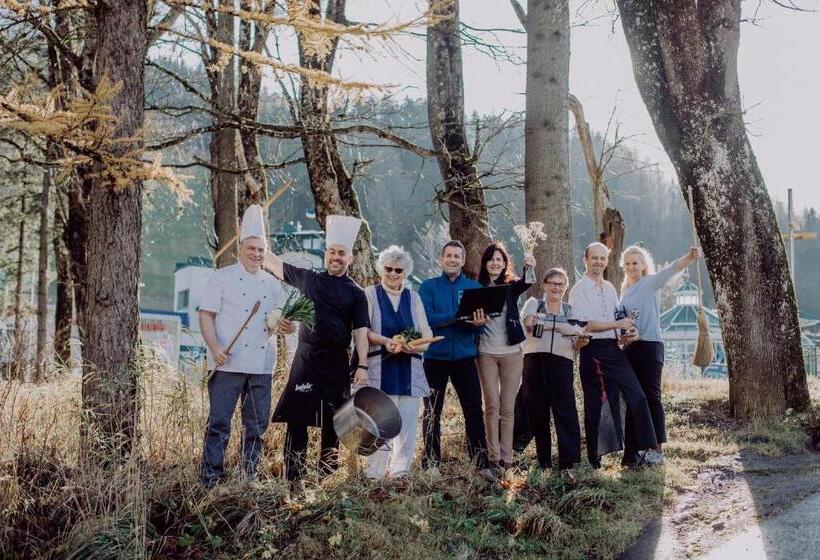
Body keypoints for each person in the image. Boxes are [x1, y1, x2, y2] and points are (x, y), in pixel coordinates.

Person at [263, 215, 370, 489]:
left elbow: (360, 332)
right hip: (306, 360)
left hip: (337, 362)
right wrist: (256, 239)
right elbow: (274, 265)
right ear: (326, 255)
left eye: (341, 253)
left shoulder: (356, 293)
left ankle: (326, 478)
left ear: (350, 258)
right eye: (332, 252)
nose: (336, 257)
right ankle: (294, 479)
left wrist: (363, 366)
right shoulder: (309, 279)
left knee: (333, 422)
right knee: (297, 418)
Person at [199, 204, 293, 487]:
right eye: (251, 248)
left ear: (267, 253)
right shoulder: (221, 277)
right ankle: (210, 478)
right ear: (241, 248)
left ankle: (248, 477)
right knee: (218, 424)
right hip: (227, 362)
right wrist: (215, 348)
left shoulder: (274, 284)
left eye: (261, 250)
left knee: (256, 427)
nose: (256, 254)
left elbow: (278, 321)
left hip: (261, 365)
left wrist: (287, 326)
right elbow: (206, 315)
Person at [568, 242, 660, 468]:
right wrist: (617, 323)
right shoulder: (578, 290)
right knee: (596, 405)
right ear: (586, 260)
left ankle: (635, 453)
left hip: (613, 349)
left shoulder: (610, 289)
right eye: (594, 258)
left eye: (602, 258)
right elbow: (586, 325)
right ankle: (593, 458)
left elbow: (616, 324)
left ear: (606, 261)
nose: (599, 262)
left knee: (636, 396)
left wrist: (624, 335)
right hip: (593, 351)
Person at [419, 240, 496, 481]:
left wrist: (478, 324)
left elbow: (477, 328)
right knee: (432, 412)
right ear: (441, 259)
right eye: (448, 256)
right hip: (434, 359)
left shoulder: (473, 288)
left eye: (457, 256)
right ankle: (431, 463)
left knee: (473, 410)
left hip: (464, 359)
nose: (452, 260)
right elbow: (428, 319)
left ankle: (481, 463)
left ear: (463, 261)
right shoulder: (428, 287)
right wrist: (459, 316)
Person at [619, 245, 700, 466]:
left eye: (635, 263)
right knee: (632, 398)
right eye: (627, 263)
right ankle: (633, 451)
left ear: (643, 265)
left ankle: (656, 450)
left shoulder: (650, 283)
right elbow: (622, 322)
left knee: (652, 397)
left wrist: (689, 257)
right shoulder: (624, 292)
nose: (631, 267)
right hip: (630, 348)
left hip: (650, 346)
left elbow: (671, 270)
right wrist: (624, 334)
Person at [361, 246, 432, 479]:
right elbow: (364, 331)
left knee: (407, 423)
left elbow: (426, 333)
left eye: (398, 270)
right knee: (380, 422)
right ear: (381, 268)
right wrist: (386, 341)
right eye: (388, 268)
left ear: (405, 273)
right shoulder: (370, 293)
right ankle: (375, 473)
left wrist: (415, 345)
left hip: (408, 369)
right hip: (380, 366)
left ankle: (400, 472)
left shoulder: (414, 297)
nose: (393, 273)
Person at [519, 268, 587, 469]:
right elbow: (530, 325)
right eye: (552, 283)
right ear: (545, 285)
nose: (556, 287)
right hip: (534, 361)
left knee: (565, 411)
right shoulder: (534, 303)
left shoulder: (570, 310)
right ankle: (544, 461)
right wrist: (562, 327)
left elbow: (575, 340)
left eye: (561, 284)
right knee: (537, 411)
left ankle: (568, 461)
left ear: (566, 287)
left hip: (562, 361)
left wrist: (580, 341)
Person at [475, 241, 534, 469]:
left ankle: (507, 458)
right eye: (491, 259)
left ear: (504, 264)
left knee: (507, 407)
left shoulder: (510, 287)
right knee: (491, 406)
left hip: (511, 353)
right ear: (485, 263)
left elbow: (527, 281)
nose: (495, 263)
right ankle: (492, 456)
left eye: (499, 259)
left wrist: (529, 264)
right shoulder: (476, 288)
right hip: (485, 353)